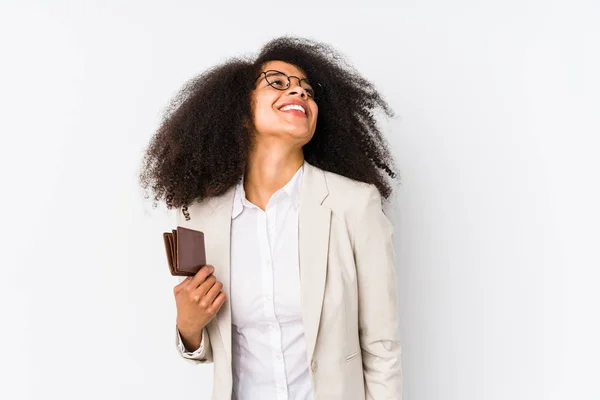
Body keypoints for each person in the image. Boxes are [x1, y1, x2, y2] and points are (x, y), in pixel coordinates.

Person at [140, 36, 402, 400]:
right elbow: (218, 348)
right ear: (240, 111)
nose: (300, 94)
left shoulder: (354, 205)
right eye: (278, 83)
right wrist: (188, 326)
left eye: (308, 92)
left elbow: (381, 346)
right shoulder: (202, 217)